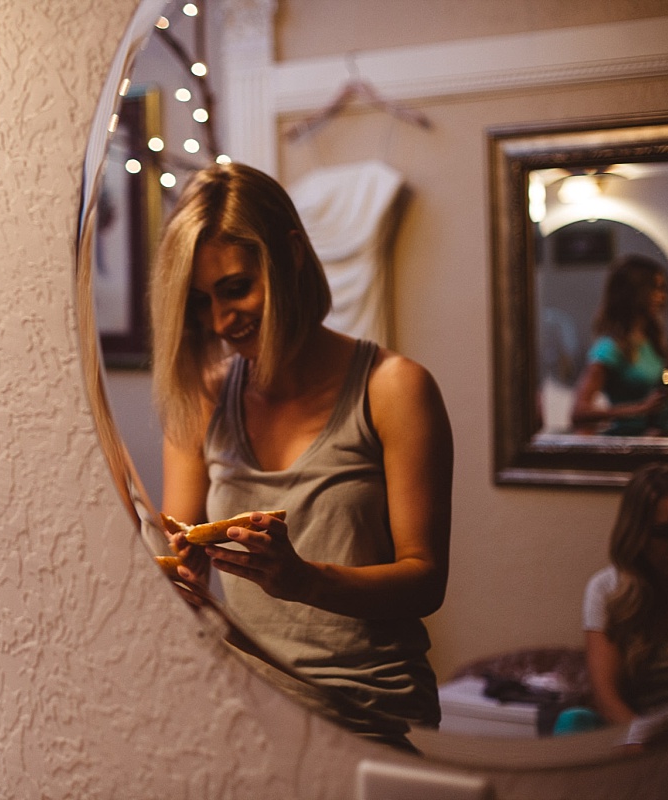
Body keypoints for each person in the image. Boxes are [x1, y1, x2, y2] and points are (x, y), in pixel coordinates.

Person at [151, 162, 453, 746]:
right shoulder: (203, 399)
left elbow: (426, 579)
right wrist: (176, 569)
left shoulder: (394, 388)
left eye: (236, 287)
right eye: (198, 303)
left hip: (366, 712)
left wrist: (305, 581)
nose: (219, 321)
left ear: (289, 254)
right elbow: (187, 559)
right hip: (243, 709)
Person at [581, 462, 668, 746]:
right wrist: (649, 745)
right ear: (637, 533)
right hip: (642, 744)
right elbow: (606, 698)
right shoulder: (609, 590)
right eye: (663, 533)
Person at [571, 254, 668, 436]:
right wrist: (639, 409)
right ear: (636, 291)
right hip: (631, 452)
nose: (663, 296)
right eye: (656, 288)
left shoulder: (652, 344)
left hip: (662, 445)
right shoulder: (610, 349)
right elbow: (579, 413)